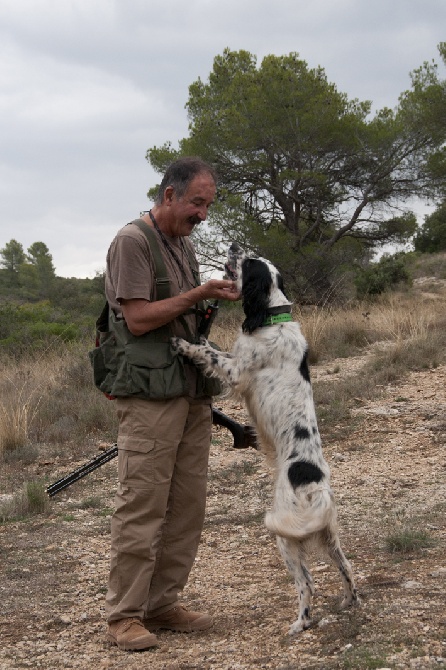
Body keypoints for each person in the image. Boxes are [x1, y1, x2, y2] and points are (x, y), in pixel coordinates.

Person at [103, 157, 240, 651]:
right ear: (168, 196)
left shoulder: (181, 241)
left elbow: (178, 311)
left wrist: (209, 296)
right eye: (197, 203)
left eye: (208, 205)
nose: (202, 214)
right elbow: (138, 319)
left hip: (189, 390)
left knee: (186, 505)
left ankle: (163, 604)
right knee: (143, 504)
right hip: (148, 396)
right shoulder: (132, 243)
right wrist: (197, 294)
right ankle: (125, 616)